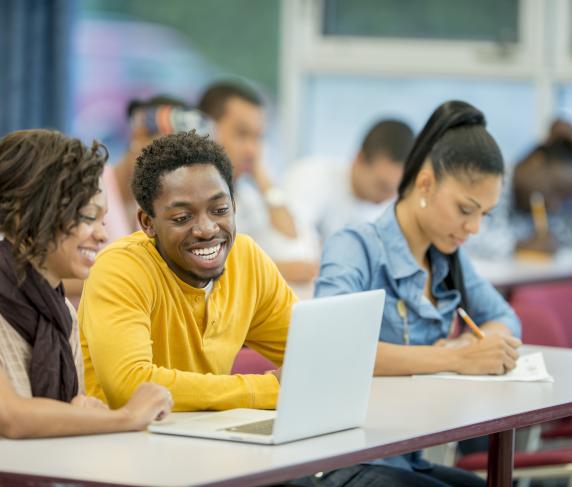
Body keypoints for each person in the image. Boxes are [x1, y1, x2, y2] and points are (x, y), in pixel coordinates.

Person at [310, 101, 522, 487]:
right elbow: (333, 351)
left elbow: (506, 317)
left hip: (405, 459)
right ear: (425, 183)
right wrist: (453, 359)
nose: (473, 228)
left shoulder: (448, 258)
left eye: (484, 215)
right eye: (465, 209)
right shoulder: (354, 246)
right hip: (345, 460)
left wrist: (485, 345)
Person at [79, 130, 297, 411]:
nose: (207, 229)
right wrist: (264, 389)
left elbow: (313, 351)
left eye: (219, 210)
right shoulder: (120, 268)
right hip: (123, 444)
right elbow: (130, 386)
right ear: (147, 223)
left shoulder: (246, 258)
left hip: (209, 439)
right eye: (182, 217)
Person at [0, 129, 172, 438]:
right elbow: (11, 417)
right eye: (87, 216)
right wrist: (126, 416)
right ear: (26, 211)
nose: (102, 235)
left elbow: (55, 415)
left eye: (103, 220)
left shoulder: (62, 310)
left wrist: (80, 412)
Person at [198, 82, 318, 285]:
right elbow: (206, 267)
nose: (252, 150)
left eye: (258, 137)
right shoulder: (187, 195)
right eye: (242, 134)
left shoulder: (245, 195)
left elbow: (296, 244)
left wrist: (263, 179)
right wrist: (277, 270)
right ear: (205, 130)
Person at [286, 119, 414, 243]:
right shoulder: (311, 176)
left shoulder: (396, 211)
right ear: (359, 159)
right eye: (382, 186)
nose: (388, 197)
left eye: (396, 190)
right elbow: (288, 239)